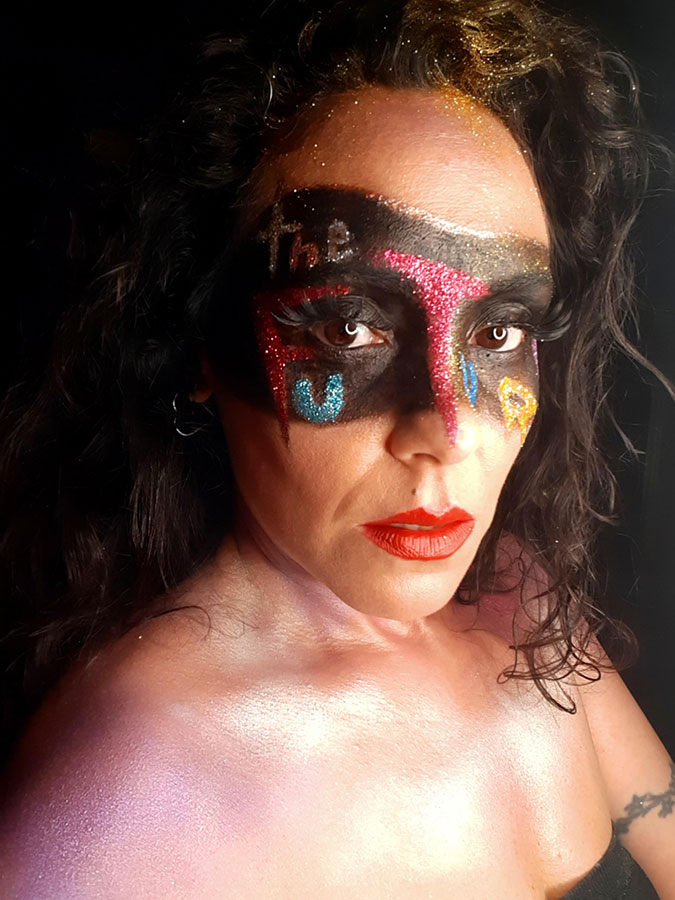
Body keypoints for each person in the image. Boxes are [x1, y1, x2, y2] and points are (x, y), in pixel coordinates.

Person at [0, 0, 673, 896]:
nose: (449, 431)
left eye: (498, 331)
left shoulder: (517, 595)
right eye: (349, 327)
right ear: (203, 344)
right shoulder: (118, 808)